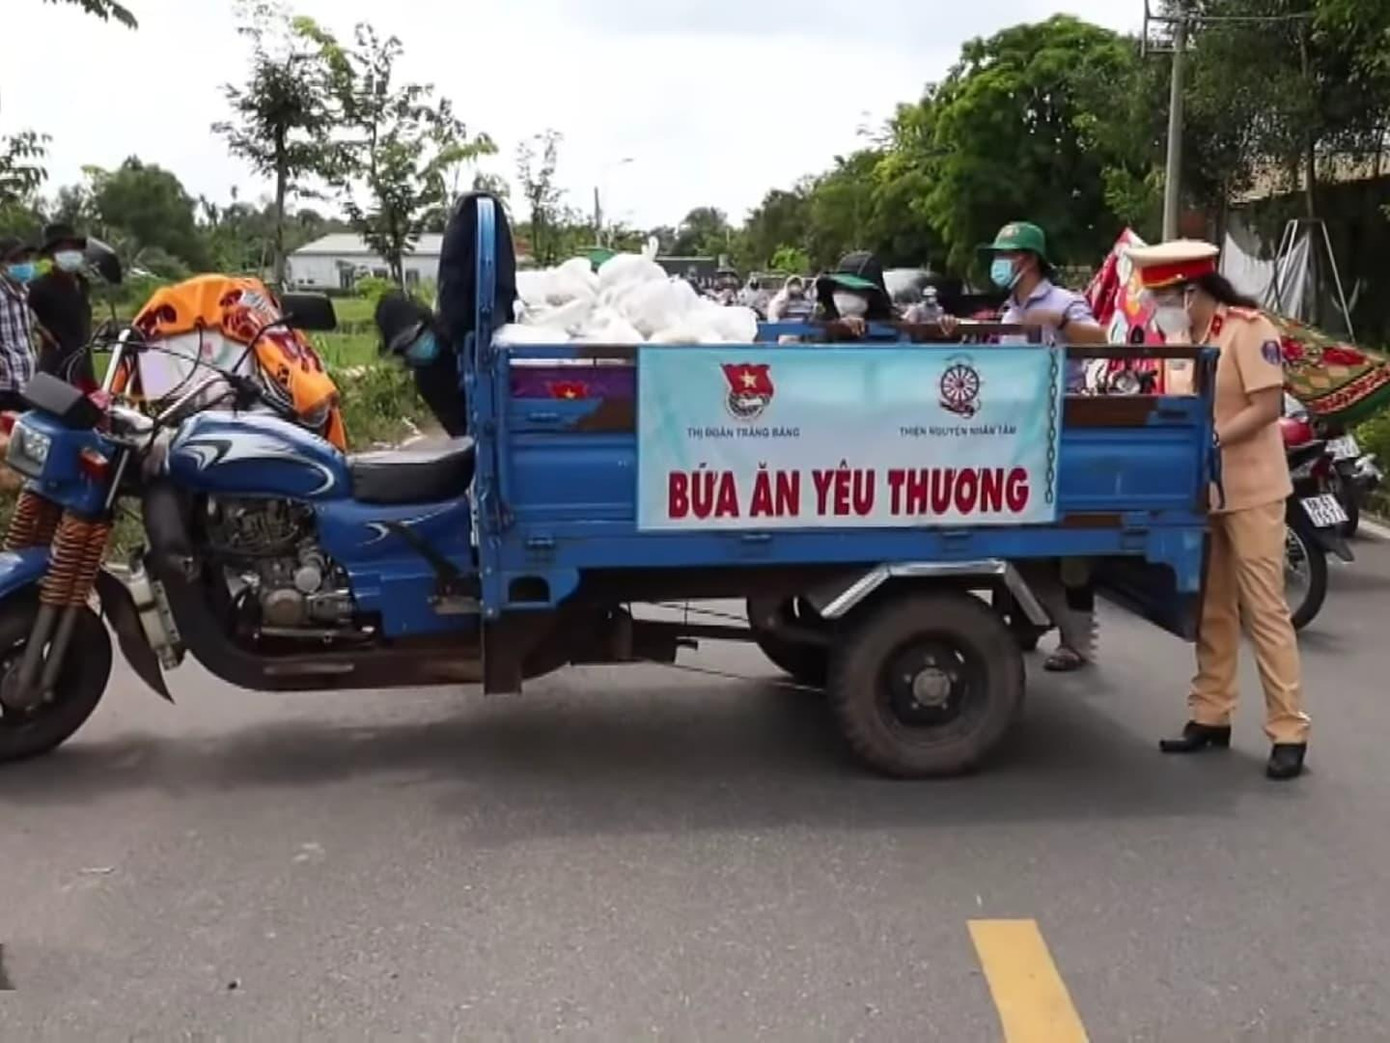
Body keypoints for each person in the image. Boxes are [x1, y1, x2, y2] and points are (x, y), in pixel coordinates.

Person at [1129, 240, 1309, 781]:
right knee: (1212, 608)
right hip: (1206, 495)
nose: (1159, 307)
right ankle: (1210, 714)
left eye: (1164, 296)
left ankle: (1288, 729)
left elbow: (1266, 406)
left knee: (1265, 610)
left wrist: (1210, 439)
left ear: (1193, 292)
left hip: (1252, 489)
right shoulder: (1183, 339)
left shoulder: (1249, 330)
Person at [969, 221, 1110, 672]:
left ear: (1026, 259)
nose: (998, 264)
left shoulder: (1063, 301)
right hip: (1016, 430)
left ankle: (1077, 642)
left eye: (1004, 256)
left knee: (1069, 544)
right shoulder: (1009, 309)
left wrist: (1061, 322)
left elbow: (1100, 339)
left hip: (1061, 427)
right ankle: (1025, 625)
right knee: (1015, 533)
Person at [27, 222, 95, 389]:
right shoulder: (39, 287)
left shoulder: (83, 284)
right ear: (51, 256)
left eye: (73, 249)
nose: (69, 254)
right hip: (55, 370)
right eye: (63, 250)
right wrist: (40, 329)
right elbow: (18, 310)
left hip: (84, 369)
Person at [0, 237, 39, 412]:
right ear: (2, 266)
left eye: (25, 259)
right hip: (5, 385)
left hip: (27, 381)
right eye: (15, 260)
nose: (23, 264)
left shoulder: (26, 293)